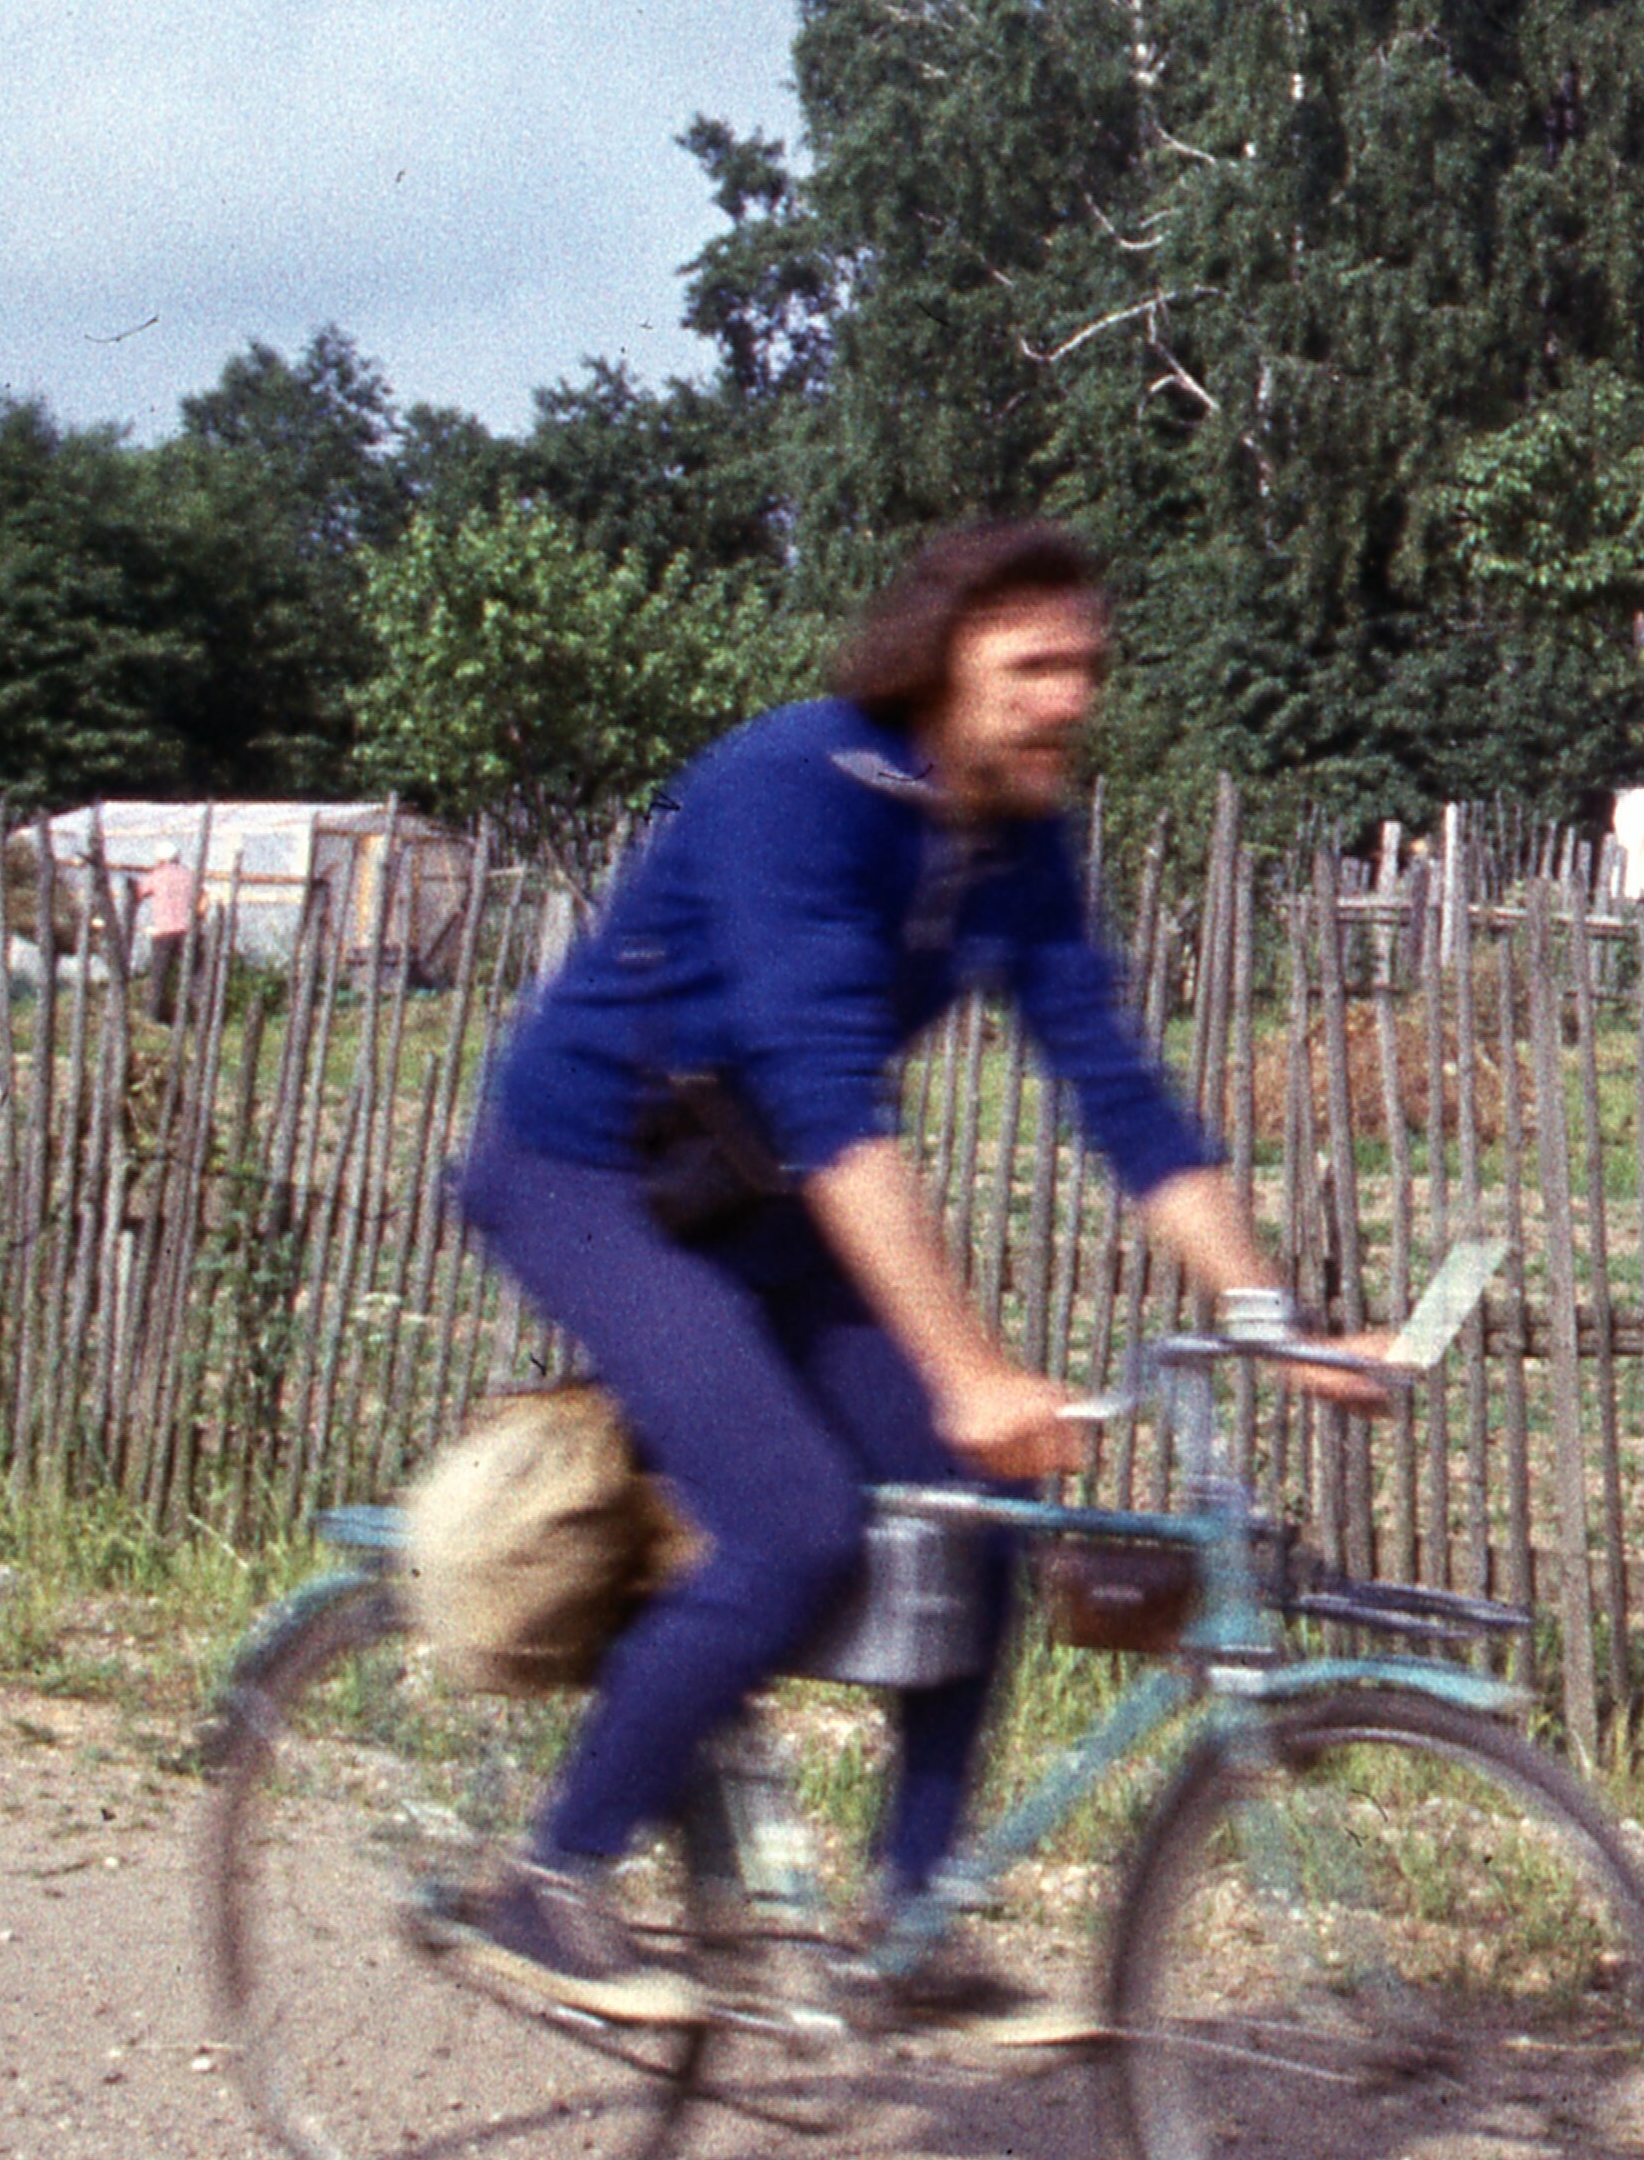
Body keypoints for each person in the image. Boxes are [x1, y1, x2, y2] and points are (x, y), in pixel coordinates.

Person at [443, 517, 1385, 2036]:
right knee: (796, 1526)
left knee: (977, 1505)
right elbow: (828, 1102)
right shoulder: (790, 788)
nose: (1072, 697)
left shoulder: (1017, 844)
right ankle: (553, 1875)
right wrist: (970, 1369)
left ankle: (910, 1918)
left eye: (1087, 665)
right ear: (941, 664)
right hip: (591, 1175)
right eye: (1034, 666)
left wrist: (1272, 1321)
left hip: (749, 1189)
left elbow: (1120, 1093)